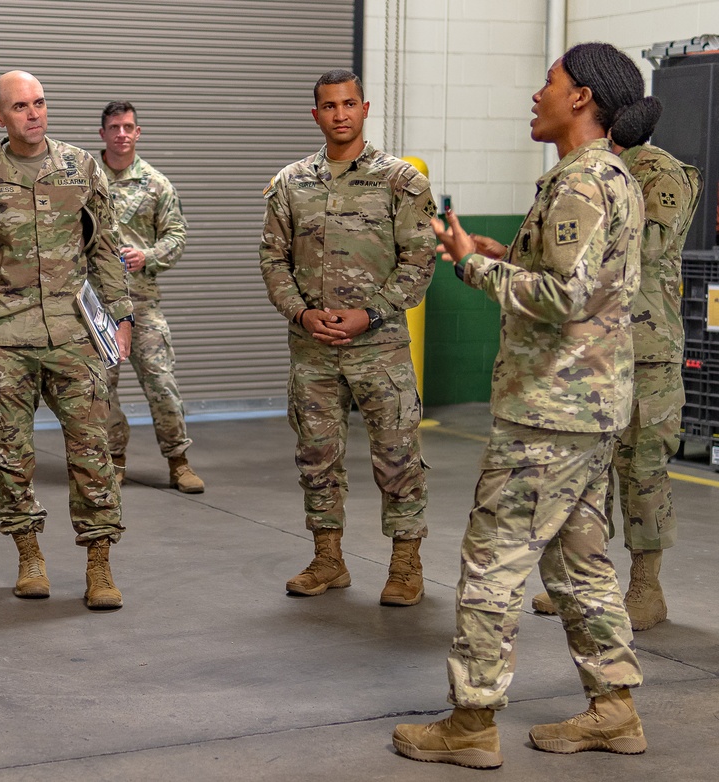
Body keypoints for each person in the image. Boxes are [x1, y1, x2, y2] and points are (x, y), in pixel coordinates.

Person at [392, 43, 654, 768]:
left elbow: (565, 298)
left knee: (491, 564)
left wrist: (471, 269)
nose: (536, 95)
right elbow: (578, 278)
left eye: (550, 82)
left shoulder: (580, 183)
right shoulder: (605, 177)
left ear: (582, 99)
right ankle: (614, 708)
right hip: (587, 410)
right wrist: (500, 252)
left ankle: (472, 721)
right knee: (579, 567)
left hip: (550, 413)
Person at [0, 71, 133, 610]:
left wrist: (120, 318)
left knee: (93, 450)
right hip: (4, 335)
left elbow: (107, 249)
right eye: (20, 106)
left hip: (75, 334)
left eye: (40, 103)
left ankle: (99, 564)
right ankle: (29, 554)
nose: (34, 114)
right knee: (11, 454)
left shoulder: (80, 166)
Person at [259, 69, 435, 605]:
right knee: (317, 455)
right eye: (329, 106)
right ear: (316, 114)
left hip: (378, 347)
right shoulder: (290, 183)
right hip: (312, 349)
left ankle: (406, 564)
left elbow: (420, 260)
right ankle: (328, 559)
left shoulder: (402, 181)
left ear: (364, 109)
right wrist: (299, 314)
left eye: (349, 104)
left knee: (397, 453)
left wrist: (371, 313)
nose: (340, 113)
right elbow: (272, 258)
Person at [532, 121, 702, 630]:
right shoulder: (592, 170)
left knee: (642, 469)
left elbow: (647, 245)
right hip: (593, 346)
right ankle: (589, 587)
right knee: (587, 472)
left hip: (647, 350)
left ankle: (647, 590)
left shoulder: (659, 171)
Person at [97, 100, 204, 493]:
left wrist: (150, 256)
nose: (122, 133)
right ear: (103, 134)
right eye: (114, 127)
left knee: (161, 382)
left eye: (128, 127)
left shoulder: (157, 184)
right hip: (96, 308)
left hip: (141, 303)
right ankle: (115, 460)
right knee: (100, 389)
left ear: (137, 132)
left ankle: (179, 461)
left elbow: (177, 235)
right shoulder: (83, 180)